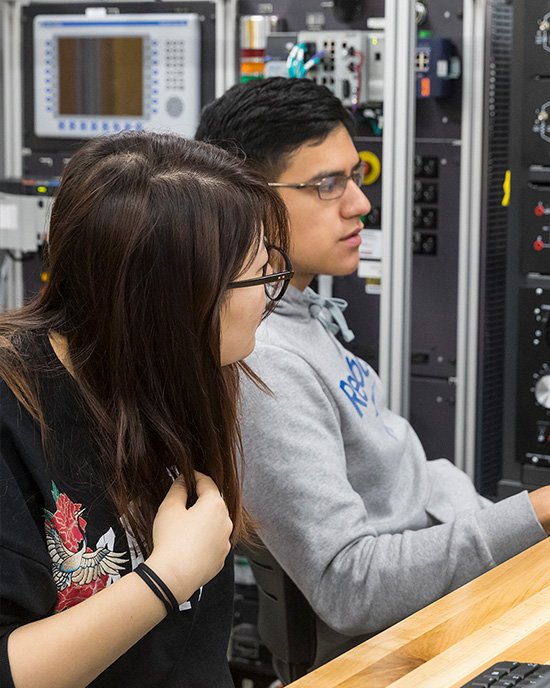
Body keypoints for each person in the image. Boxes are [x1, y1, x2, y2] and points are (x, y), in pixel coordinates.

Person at [196, 76, 550, 676]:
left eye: (354, 177)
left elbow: (405, 489)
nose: (359, 204)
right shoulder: (264, 357)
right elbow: (348, 585)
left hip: (448, 602)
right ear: (243, 199)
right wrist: (534, 515)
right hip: (397, 652)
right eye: (326, 185)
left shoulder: (299, 312)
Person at [0, 131, 292, 688]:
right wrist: (169, 576)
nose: (269, 292)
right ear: (174, 298)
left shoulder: (171, 371)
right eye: (258, 274)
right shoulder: (14, 409)